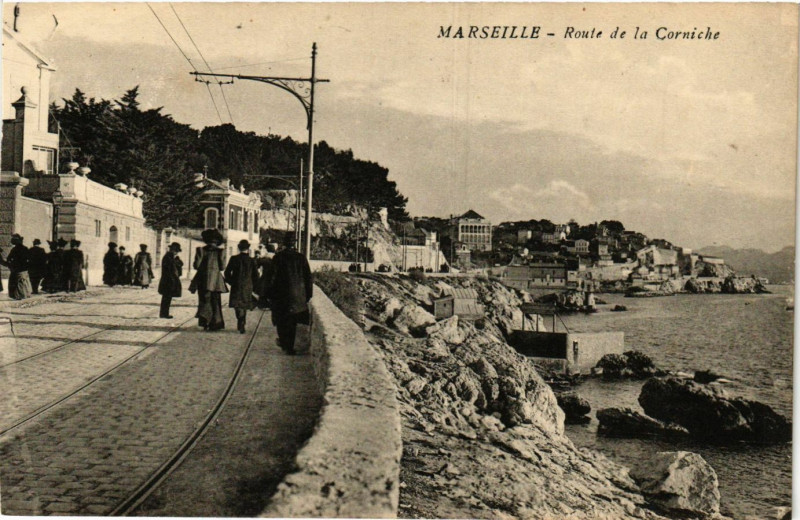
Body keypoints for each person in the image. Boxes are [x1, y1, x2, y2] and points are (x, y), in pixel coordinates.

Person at [266, 234, 312, 354]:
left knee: (282, 320)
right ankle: (291, 346)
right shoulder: (301, 258)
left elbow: (271, 278)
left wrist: (269, 294)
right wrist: (307, 295)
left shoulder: (278, 257)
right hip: (298, 295)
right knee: (294, 321)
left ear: (284, 243)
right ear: (295, 244)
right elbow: (308, 278)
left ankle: (285, 344)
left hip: (281, 295)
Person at [191, 229, 227, 331]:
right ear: (217, 241)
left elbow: (196, 266)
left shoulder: (201, 250)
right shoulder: (221, 251)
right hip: (216, 281)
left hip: (203, 280)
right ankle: (215, 323)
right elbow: (222, 267)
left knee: (204, 300)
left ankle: (205, 322)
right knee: (215, 302)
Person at [224, 240, 259, 333]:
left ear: (239, 248)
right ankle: (242, 320)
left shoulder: (234, 259)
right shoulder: (251, 260)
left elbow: (227, 272)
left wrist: (231, 281)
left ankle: (240, 320)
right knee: (244, 304)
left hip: (236, 285)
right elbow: (256, 275)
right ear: (248, 249)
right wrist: (255, 286)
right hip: (248, 286)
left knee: (237, 305)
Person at [0, 234, 32, 299]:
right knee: (22, 282)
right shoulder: (25, 248)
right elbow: (29, 258)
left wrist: (9, 264)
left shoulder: (14, 249)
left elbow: (9, 258)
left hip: (16, 269)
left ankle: (17, 295)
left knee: (15, 282)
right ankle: (23, 294)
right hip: (23, 268)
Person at [158, 242, 183, 319]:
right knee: (167, 298)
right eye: (176, 251)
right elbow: (170, 270)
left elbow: (179, 266)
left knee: (167, 297)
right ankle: (164, 314)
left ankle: (164, 313)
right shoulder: (168, 257)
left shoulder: (171, 257)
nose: (176, 252)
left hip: (169, 280)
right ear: (173, 250)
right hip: (168, 281)